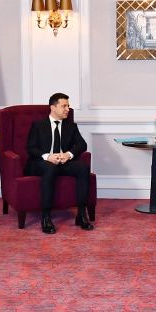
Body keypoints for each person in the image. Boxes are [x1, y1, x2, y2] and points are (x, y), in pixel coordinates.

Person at [25, 92, 93, 234]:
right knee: (50, 168)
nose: (68, 109)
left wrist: (67, 155)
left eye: (68, 106)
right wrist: (47, 156)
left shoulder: (71, 126)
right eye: (64, 106)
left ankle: (81, 214)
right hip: (42, 163)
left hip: (63, 162)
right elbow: (31, 148)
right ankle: (46, 217)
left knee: (83, 168)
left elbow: (82, 144)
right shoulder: (38, 125)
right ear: (53, 107)